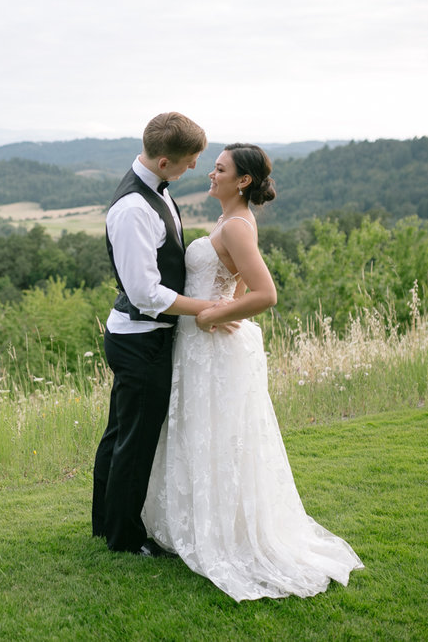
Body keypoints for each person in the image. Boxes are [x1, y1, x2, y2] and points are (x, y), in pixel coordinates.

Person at [141, 143, 364, 600]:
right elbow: (234, 280)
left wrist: (212, 315)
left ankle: (227, 536)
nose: (210, 174)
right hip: (202, 345)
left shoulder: (238, 226)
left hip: (210, 343)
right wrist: (226, 301)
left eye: (219, 169)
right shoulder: (230, 222)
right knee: (204, 433)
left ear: (242, 181)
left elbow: (266, 293)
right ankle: (198, 522)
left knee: (218, 435)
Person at [93, 112, 235, 556]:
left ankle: (106, 523)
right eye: (190, 160)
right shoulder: (134, 208)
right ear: (162, 161)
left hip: (142, 335)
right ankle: (125, 539)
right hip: (140, 339)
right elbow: (145, 293)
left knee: (121, 433)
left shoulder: (155, 191)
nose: (196, 168)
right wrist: (209, 308)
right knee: (135, 440)